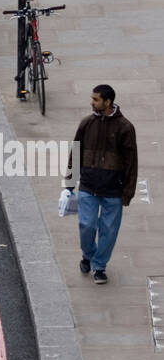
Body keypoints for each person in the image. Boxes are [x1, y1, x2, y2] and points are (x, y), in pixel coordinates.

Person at [64, 85, 137, 285]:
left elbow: (132, 162)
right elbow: (76, 152)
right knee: (86, 226)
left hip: (113, 189)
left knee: (109, 231)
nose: (92, 102)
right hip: (88, 185)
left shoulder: (125, 127)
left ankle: (99, 266)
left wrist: (128, 192)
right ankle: (88, 255)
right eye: (92, 98)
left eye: (96, 99)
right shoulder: (87, 123)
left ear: (108, 102)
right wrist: (69, 184)